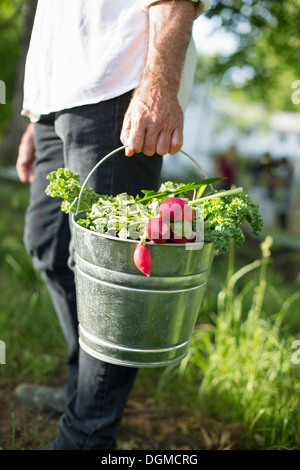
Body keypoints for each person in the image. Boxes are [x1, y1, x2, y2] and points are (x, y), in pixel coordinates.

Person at [15, 0, 210, 450]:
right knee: (47, 248)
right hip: (55, 99)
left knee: (109, 277)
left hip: (118, 87)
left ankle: (87, 434)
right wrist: (35, 114)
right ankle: (82, 392)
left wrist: (158, 85)